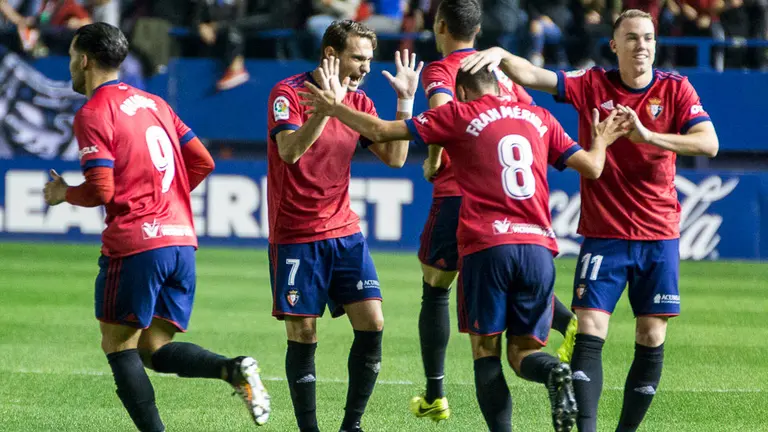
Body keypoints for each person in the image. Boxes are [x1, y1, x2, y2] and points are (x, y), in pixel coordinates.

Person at [300, 62, 630, 432]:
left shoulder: (459, 114)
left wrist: (335, 107)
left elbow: (380, 130)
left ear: (461, 92)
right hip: (539, 247)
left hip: (488, 246)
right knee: (523, 353)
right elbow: (593, 167)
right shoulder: (540, 117)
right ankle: (553, 370)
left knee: (485, 352)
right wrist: (602, 140)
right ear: (501, 87)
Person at [460, 8, 719, 432]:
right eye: (632, 38)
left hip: (659, 233)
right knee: (589, 330)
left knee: (651, 335)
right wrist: (500, 54)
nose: (642, 45)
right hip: (604, 234)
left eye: (648, 37)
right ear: (614, 45)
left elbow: (708, 143)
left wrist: (647, 135)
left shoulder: (676, 88)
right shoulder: (592, 83)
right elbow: (533, 75)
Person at [42, 22, 270, 432]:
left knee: (118, 345)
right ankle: (233, 369)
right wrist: (165, 202)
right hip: (180, 241)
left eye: (73, 56)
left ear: (85, 60)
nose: (71, 64)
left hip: (137, 245)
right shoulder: (155, 104)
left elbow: (102, 188)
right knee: (152, 347)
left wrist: (64, 193)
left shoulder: (94, 112)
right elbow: (202, 161)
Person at [412, 0, 578, 421]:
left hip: (460, 193)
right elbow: (524, 116)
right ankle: (566, 321)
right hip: (514, 198)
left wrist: (433, 161)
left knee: (436, 285)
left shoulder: (442, 69)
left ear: (440, 25)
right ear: (479, 29)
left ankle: (435, 394)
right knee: (515, 273)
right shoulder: (498, 70)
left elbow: (443, 116)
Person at [266, 19, 422, 432]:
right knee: (303, 332)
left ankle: (351, 425)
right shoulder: (288, 93)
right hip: (297, 234)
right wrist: (325, 110)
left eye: (370, 59)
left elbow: (396, 158)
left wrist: (405, 100)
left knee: (373, 322)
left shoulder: (360, 103)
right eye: (358, 58)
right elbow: (289, 152)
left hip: (344, 231)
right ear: (331, 54)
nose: (366, 67)